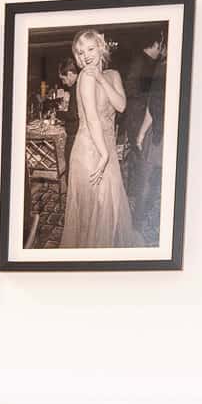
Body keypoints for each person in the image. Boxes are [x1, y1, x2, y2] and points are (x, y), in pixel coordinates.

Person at [60, 29, 139, 249]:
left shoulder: (112, 75)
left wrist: (102, 80)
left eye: (90, 49)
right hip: (89, 150)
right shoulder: (84, 76)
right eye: (80, 52)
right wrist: (104, 154)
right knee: (94, 211)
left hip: (107, 150)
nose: (85, 56)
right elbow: (92, 119)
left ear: (101, 47)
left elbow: (121, 106)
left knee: (109, 210)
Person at [123, 32, 165, 229]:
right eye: (160, 46)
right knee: (141, 161)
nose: (161, 51)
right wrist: (149, 95)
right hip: (137, 116)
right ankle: (135, 204)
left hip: (144, 116)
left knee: (139, 160)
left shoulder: (151, 62)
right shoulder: (141, 61)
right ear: (155, 44)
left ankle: (133, 195)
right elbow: (130, 89)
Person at [56, 57, 80, 177]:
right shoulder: (78, 85)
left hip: (74, 135)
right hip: (77, 134)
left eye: (63, 79)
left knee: (70, 170)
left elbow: (73, 115)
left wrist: (58, 114)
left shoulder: (75, 88)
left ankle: (70, 195)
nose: (63, 83)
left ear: (70, 74)